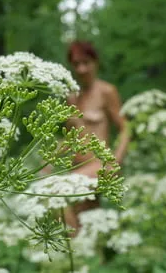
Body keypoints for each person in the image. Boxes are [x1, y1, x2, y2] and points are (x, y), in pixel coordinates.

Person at [64, 40, 130, 233]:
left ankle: (78, 252)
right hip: (76, 168)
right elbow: (71, 138)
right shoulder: (71, 97)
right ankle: (91, 256)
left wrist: (115, 161)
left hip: (100, 166)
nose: (82, 69)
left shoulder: (106, 91)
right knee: (84, 217)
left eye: (86, 62)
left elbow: (126, 128)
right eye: (76, 64)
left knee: (57, 193)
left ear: (96, 63)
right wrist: (48, 161)